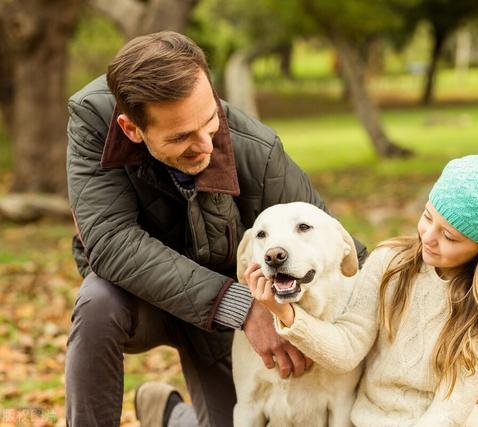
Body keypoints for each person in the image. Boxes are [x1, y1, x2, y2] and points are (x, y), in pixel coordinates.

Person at [64, 31, 368, 427]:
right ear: (132, 129)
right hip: (148, 301)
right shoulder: (93, 119)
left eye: (210, 121)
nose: (205, 145)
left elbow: (343, 248)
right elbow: (110, 242)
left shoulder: (257, 150)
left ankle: (171, 416)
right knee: (97, 301)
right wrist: (244, 308)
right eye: (180, 137)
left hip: (221, 321)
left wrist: (453, 331)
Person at [249, 155, 478, 426]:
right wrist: (285, 314)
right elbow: (347, 349)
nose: (429, 238)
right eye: (427, 217)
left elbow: (451, 408)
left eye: (448, 236)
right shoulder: (389, 263)